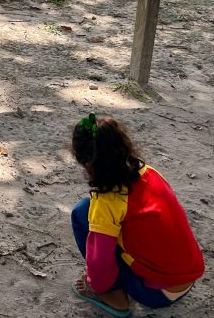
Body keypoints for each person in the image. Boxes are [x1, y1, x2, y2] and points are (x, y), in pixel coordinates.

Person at [70, 113, 204, 317]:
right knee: (92, 213)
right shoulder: (150, 172)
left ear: (86, 162)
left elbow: (100, 266)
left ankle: (114, 298)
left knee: (81, 214)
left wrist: (96, 284)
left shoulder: (107, 201)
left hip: (156, 294)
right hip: (188, 279)